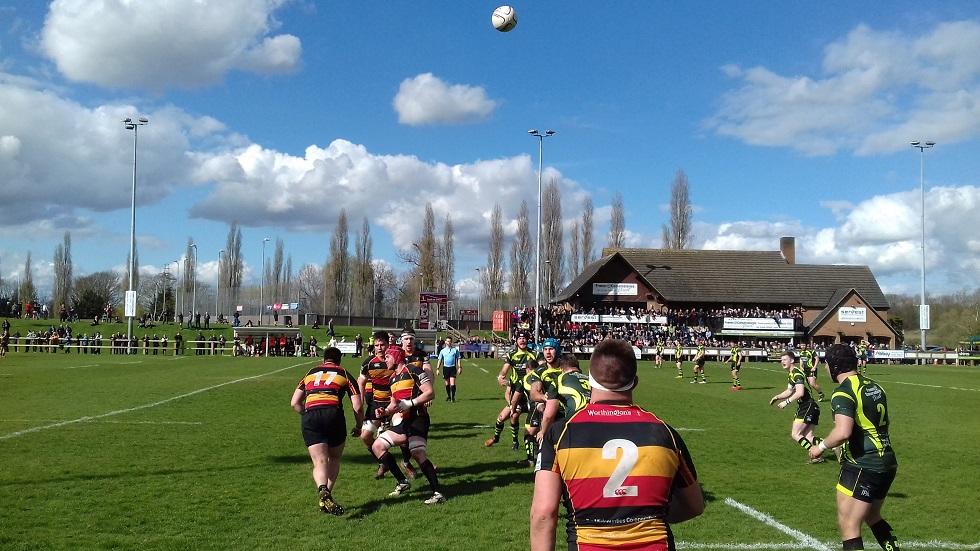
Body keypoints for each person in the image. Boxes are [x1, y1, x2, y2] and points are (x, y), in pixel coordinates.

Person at [531, 339, 704, 550]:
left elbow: (543, 514)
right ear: (635, 381)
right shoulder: (665, 433)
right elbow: (694, 505)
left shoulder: (561, 433)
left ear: (591, 380)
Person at [809, 344, 900, 551]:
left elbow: (843, 432)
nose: (824, 368)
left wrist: (820, 447)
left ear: (834, 366)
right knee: (873, 516)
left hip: (863, 464)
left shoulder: (843, 392)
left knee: (850, 525)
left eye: (826, 364)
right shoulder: (875, 386)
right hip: (887, 460)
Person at [290, 346, 363, 515]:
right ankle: (327, 494)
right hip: (333, 415)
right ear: (339, 360)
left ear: (324, 360)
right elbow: (358, 406)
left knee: (319, 461)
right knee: (334, 458)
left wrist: (306, 414)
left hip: (311, 415)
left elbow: (294, 403)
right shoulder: (343, 373)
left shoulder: (311, 372)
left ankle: (322, 490)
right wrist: (359, 426)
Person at [371, 345, 446, 504]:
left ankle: (438, 493)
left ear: (397, 357)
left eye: (387, 357)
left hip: (418, 418)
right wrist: (384, 411)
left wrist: (410, 403)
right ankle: (402, 482)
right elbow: (394, 404)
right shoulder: (392, 378)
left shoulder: (413, 370)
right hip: (404, 422)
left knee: (417, 453)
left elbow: (430, 392)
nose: (385, 360)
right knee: (377, 446)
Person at [769, 349, 824, 463]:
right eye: (781, 360)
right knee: (808, 437)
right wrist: (778, 397)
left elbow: (800, 393)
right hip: (811, 407)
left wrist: (786, 402)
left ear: (792, 360)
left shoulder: (797, 373)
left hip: (807, 406)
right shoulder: (792, 374)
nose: (782, 362)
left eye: (785, 359)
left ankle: (815, 452)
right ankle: (834, 446)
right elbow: (789, 391)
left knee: (796, 434)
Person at [485, 330, 538, 449]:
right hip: (516, 391)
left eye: (524, 338)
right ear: (516, 341)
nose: (522, 340)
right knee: (504, 417)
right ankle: (509, 441)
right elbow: (504, 370)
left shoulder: (534, 354)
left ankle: (535, 442)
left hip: (531, 391)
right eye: (520, 338)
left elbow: (541, 367)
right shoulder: (512, 354)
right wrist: (501, 376)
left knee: (529, 420)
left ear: (527, 340)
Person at [357, 331, 395, 479]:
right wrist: (359, 400)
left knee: (404, 439)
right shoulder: (368, 362)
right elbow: (361, 381)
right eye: (377, 345)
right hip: (376, 404)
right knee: (365, 436)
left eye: (382, 345)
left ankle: (408, 463)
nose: (379, 348)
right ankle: (382, 462)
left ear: (388, 344)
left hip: (395, 404)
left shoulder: (395, 361)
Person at [521, 338, 563, 465]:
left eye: (551, 349)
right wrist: (546, 398)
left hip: (567, 412)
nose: (548, 353)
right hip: (548, 413)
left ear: (558, 350)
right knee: (547, 446)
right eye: (545, 349)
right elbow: (534, 393)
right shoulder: (540, 371)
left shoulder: (566, 367)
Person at [536, 353, 590, 444]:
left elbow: (549, 414)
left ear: (561, 368)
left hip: (575, 422)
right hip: (596, 419)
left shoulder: (559, 379)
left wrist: (542, 432)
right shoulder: (588, 379)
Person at [436, 337, 462, 402]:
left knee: (452, 383)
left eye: (450, 341)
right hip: (445, 368)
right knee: (447, 384)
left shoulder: (455, 350)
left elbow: (458, 358)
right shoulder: (442, 351)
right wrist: (437, 369)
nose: (448, 342)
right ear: (445, 342)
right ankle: (449, 396)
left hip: (452, 368)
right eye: (447, 341)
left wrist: (459, 367)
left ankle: (453, 397)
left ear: (451, 342)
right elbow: (440, 360)